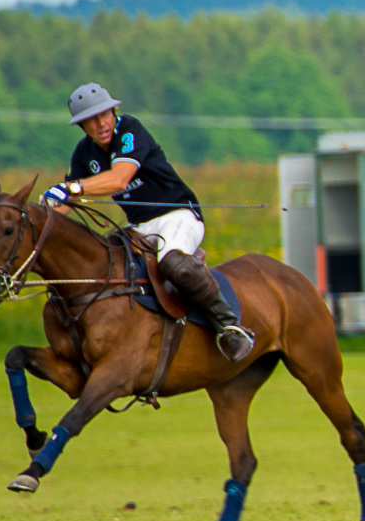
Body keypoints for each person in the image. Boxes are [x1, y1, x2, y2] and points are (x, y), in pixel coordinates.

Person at [41, 83, 255, 359]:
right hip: (139, 227)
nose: (101, 124)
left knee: (174, 263)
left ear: (113, 111)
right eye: (91, 120)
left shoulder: (130, 130)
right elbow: (64, 205)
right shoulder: (84, 153)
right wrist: (38, 219)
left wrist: (73, 188)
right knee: (103, 266)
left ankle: (230, 328)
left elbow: (119, 178)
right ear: (82, 125)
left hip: (178, 215)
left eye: (104, 115)